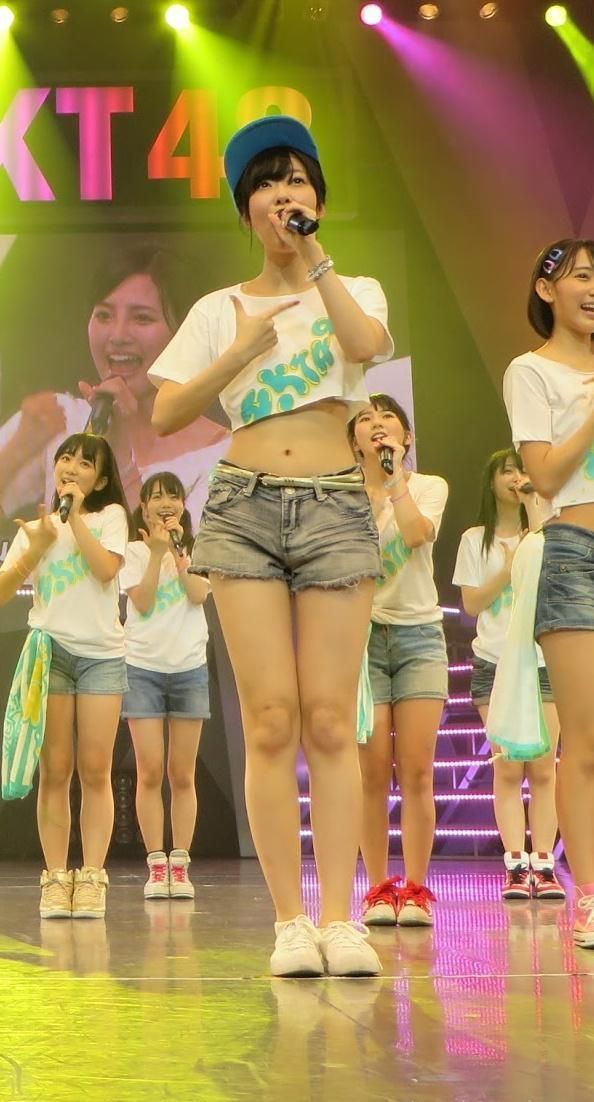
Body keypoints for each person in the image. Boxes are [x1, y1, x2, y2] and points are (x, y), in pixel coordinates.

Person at [148, 115, 394, 977]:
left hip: (334, 505)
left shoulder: (354, 287)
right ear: (245, 208)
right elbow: (166, 411)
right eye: (265, 184)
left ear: (316, 198)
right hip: (244, 506)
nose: (283, 195)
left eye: (296, 181)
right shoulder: (218, 309)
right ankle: (290, 921)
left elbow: (365, 349)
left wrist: (315, 260)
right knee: (271, 719)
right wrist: (239, 352)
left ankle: (341, 919)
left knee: (329, 718)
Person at [503, 238, 594, 945]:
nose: (593, 289)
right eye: (582, 276)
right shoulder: (531, 372)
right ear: (546, 288)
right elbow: (544, 475)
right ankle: (589, 895)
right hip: (575, 555)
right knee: (585, 742)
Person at [0, 244, 229, 523]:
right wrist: (20, 448)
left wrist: (118, 453)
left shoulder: (222, 457)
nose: (118, 336)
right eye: (104, 315)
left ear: (186, 332)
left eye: (142, 318)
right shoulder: (62, 419)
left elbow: (153, 547)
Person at [0, 432, 130, 919]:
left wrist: (72, 517)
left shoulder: (110, 517)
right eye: (65, 458)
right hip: (50, 655)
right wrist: (34, 549)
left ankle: (92, 878)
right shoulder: (36, 528)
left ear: (101, 478)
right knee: (55, 771)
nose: (71, 467)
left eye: (84, 463)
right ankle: (55, 879)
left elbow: (105, 570)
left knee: (95, 770)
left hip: (101, 657)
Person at [349, 394, 448, 928]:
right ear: (354, 440)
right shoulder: (342, 495)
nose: (377, 424)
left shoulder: (428, 486)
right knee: (370, 774)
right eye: (365, 419)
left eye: (388, 417)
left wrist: (393, 482)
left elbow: (414, 534)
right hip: (362, 640)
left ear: (406, 437)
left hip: (419, 637)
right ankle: (378, 888)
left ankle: (415, 889)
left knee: (416, 770)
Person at [453, 447, 563, 900]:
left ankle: (545, 864)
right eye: (508, 471)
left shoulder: (545, 534)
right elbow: (472, 603)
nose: (517, 478)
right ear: (491, 480)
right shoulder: (473, 539)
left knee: (544, 767)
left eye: (522, 470)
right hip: (494, 662)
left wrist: (534, 523)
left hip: (541, 660)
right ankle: (516, 864)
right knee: (508, 768)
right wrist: (511, 560)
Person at [120, 472, 210, 901]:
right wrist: (156, 555)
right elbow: (141, 600)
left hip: (189, 667)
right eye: (155, 497)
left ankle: (181, 864)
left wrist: (179, 556)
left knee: (182, 773)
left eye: (172, 496)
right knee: (150, 771)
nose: (165, 503)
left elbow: (198, 594)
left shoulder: (197, 546)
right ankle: (157, 864)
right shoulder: (134, 551)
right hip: (142, 668)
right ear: (143, 507)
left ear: (183, 506)